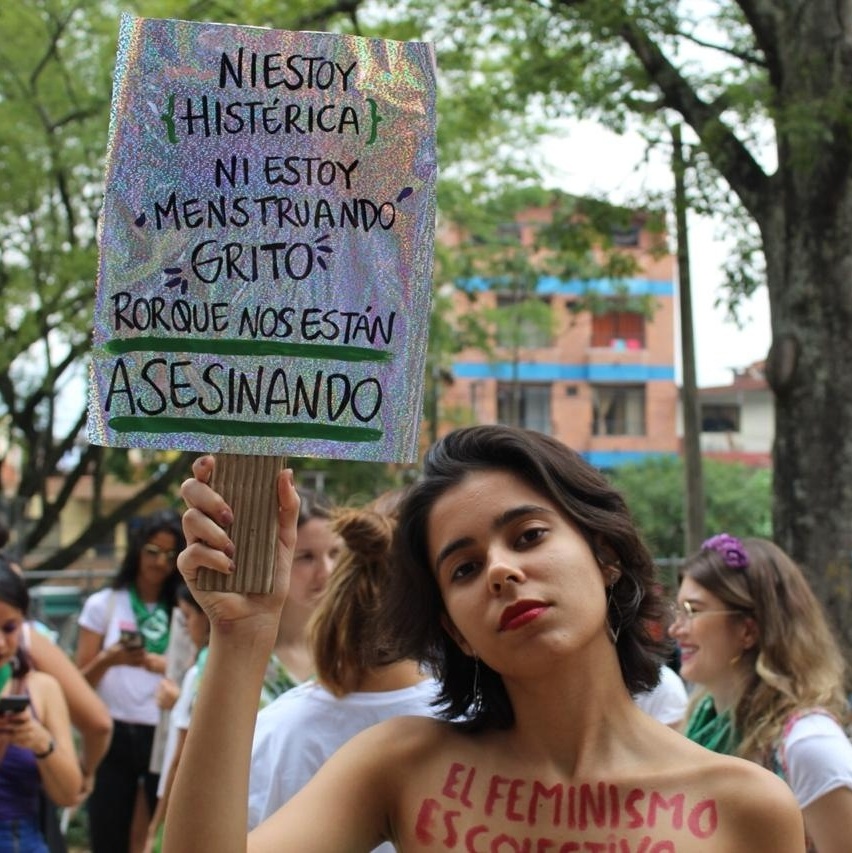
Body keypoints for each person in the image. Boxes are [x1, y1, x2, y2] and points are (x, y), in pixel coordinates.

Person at [166, 426, 804, 852]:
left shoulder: (748, 807)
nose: (502, 570)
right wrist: (242, 636)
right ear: (454, 629)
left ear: (605, 556)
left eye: (528, 535)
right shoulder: (399, 764)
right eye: (464, 568)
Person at [248, 499, 440, 838]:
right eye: (305, 557)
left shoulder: (276, 729)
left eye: (332, 555)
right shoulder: (478, 721)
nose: (322, 571)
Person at [671, 533, 852, 852]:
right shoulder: (703, 718)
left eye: (693, 610)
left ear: (748, 629)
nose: (676, 629)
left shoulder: (808, 744)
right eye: (678, 611)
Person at [76, 509, 185, 853]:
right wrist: (109, 659)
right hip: (114, 729)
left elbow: (195, 668)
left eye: (170, 555)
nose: (159, 563)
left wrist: (161, 666)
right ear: (137, 550)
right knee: (107, 830)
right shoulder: (103, 604)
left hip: (163, 731)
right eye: (152, 551)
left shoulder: (184, 608)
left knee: (160, 833)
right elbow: (80, 682)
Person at [0, 557, 82, 852]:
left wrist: (42, 743)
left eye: (9, 628)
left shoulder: (42, 688)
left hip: (22, 839)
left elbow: (70, 793)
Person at [144, 585, 210, 853]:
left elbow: (181, 757)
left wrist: (156, 825)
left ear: (206, 615)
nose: (185, 627)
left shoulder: (202, 672)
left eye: (188, 616)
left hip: (186, 813)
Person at [258, 488, 340, 708]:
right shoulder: (236, 657)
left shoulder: (361, 655)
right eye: (306, 557)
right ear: (272, 561)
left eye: (335, 553)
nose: (327, 571)